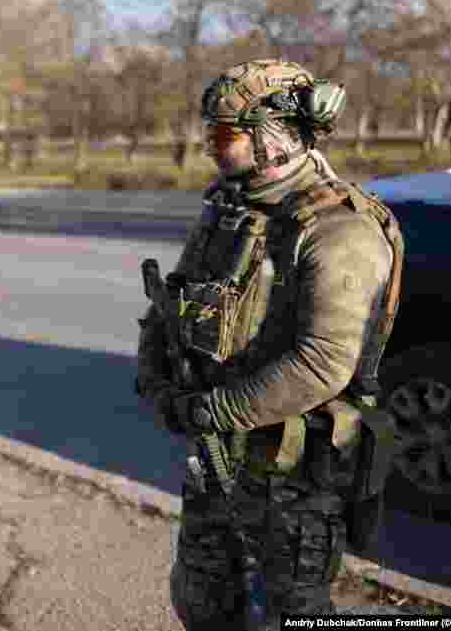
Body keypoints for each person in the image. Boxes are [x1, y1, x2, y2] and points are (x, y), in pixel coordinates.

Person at [134, 60, 404, 630]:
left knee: (296, 613)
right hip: (217, 454)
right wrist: (155, 372)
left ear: (273, 135)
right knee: (202, 598)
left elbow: (326, 360)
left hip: (296, 472)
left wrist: (211, 411)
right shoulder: (232, 206)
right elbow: (175, 300)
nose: (210, 147)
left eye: (223, 134)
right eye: (210, 133)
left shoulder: (339, 228)